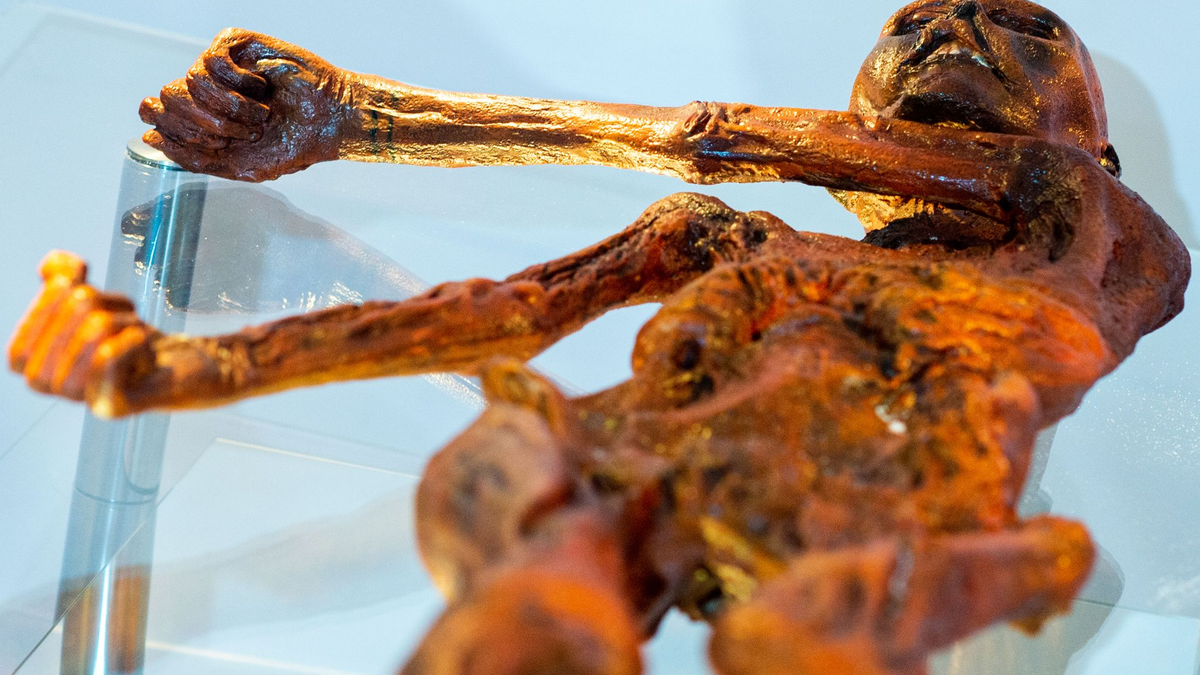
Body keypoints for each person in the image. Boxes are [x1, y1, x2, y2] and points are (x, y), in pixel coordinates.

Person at [8, 1, 1190, 673]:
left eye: (1023, 31)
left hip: (871, 529)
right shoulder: (729, 242)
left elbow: (707, 130)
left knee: (800, 640)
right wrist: (193, 361)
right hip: (608, 475)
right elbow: (503, 317)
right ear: (862, 121)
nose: (956, 27)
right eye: (914, 25)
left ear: (1106, 151)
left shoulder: (1102, 231)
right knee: (525, 611)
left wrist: (365, 117)